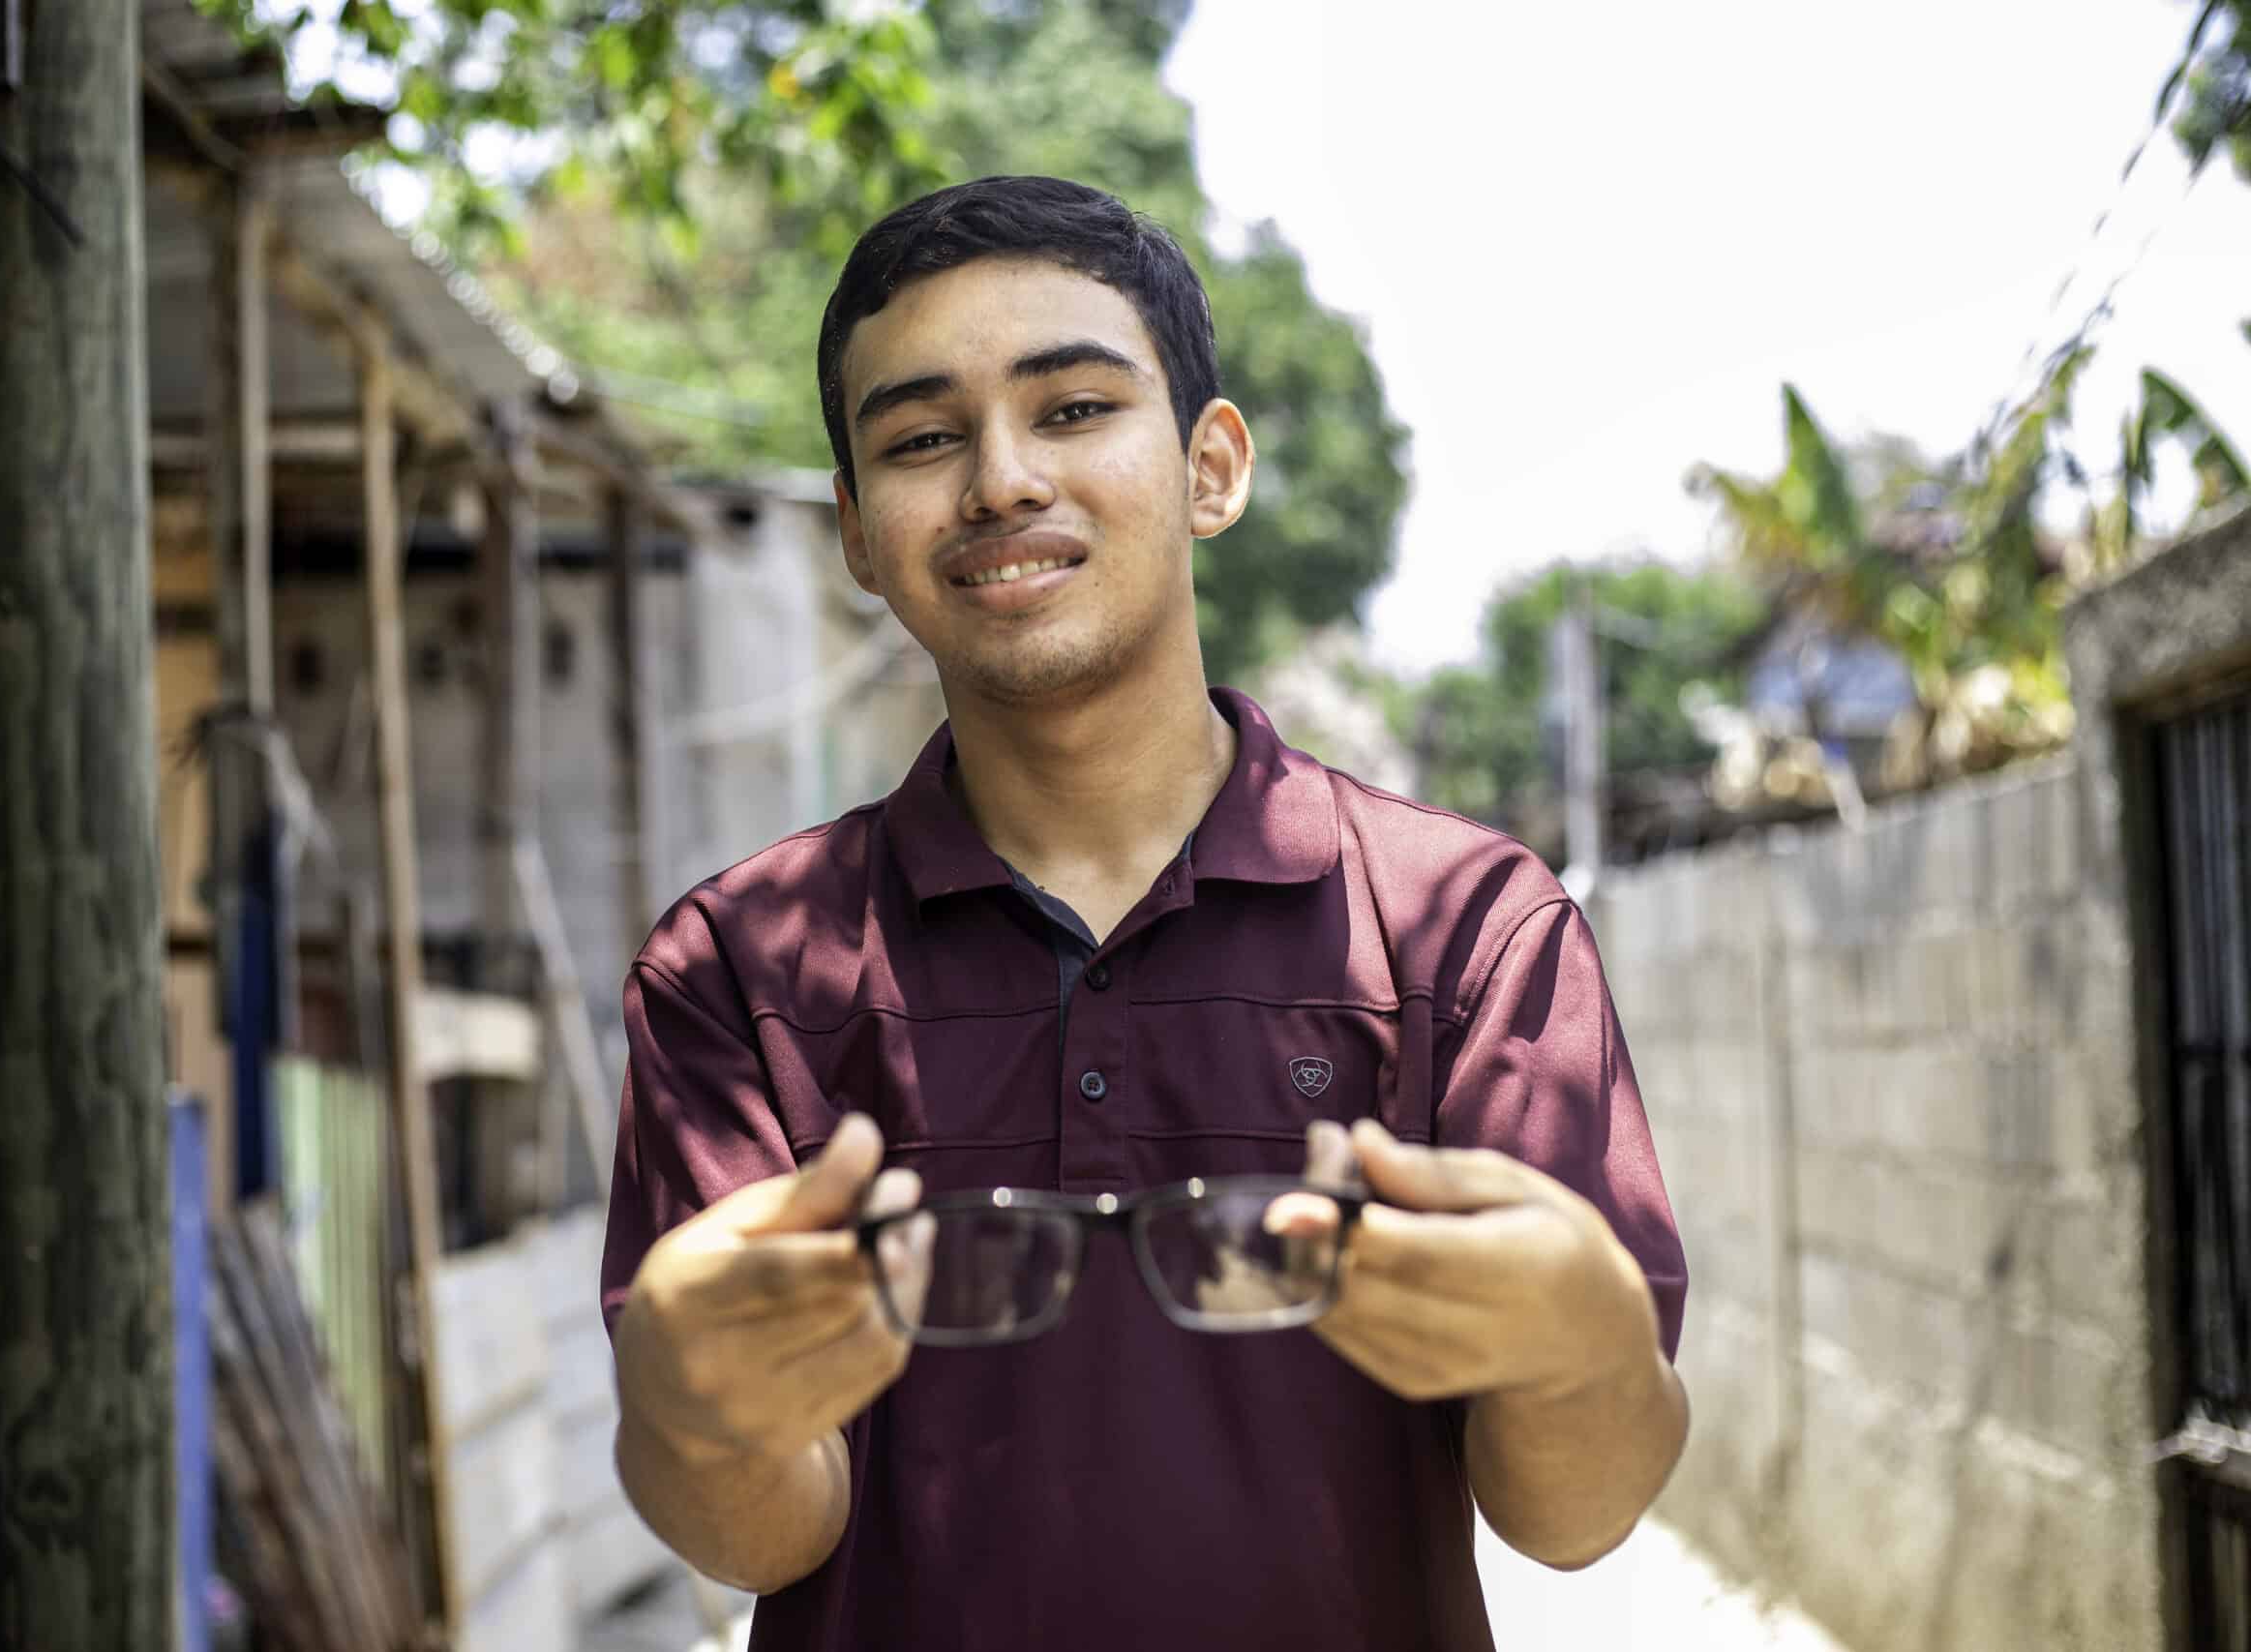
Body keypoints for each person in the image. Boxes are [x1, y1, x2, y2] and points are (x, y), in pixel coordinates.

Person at [599, 174, 1689, 1652]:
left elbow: (1572, 1518)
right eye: (923, 439)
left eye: (1071, 410)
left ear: (1210, 466)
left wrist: (1587, 1352)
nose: (1000, 482)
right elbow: (775, 1524)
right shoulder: (744, 968)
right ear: (858, 532)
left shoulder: (1463, 932)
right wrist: (687, 1410)